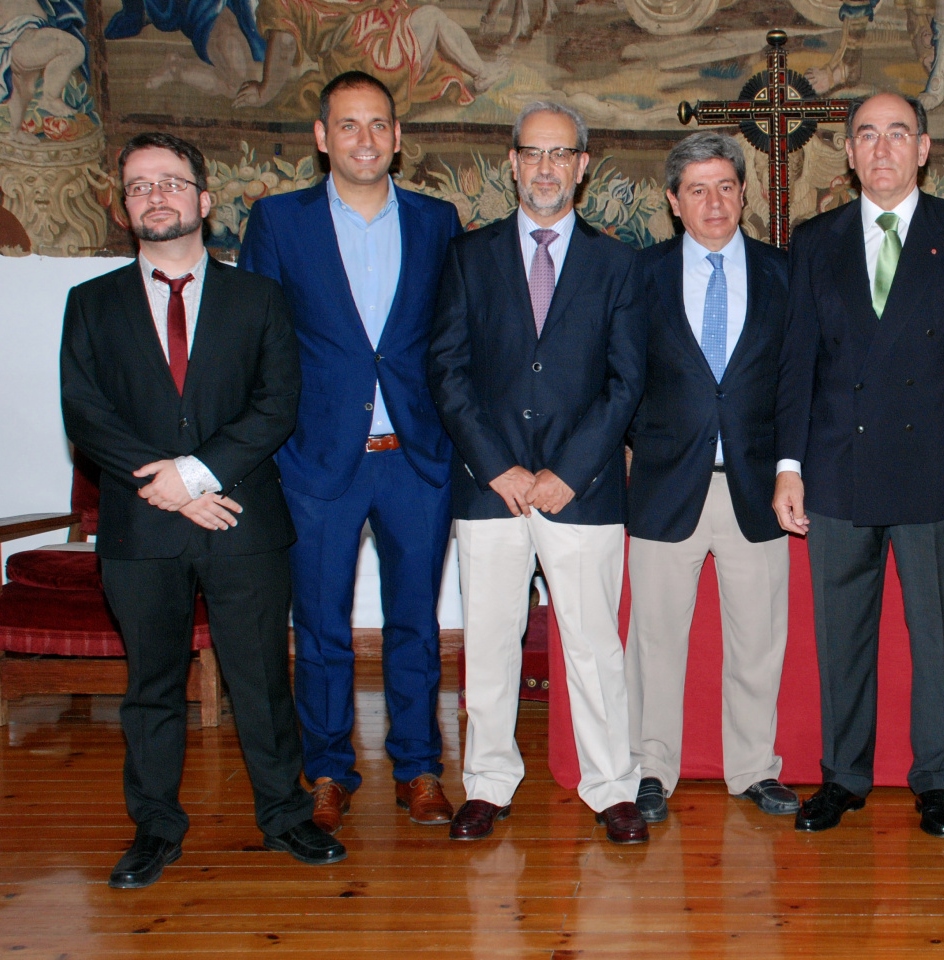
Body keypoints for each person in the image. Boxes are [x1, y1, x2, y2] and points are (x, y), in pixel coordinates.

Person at [60, 131, 344, 889]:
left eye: (171, 182)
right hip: (140, 524)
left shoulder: (259, 298)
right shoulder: (90, 304)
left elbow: (277, 404)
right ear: (124, 208)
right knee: (151, 687)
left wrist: (193, 475)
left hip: (241, 518)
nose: (155, 196)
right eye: (139, 186)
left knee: (262, 680)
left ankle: (284, 815)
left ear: (204, 199)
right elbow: (85, 414)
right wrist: (166, 488)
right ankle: (155, 828)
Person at [774, 92, 944, 839]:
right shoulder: (815, 240)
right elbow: (797, 363)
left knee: (938, 635)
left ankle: (937, 780)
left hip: (936, 473)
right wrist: (788, 465)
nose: (882, 149)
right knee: (841, 636)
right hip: (836, 468)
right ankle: (842, 777)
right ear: (848, 153)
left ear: (924, 148)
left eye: (898, 134)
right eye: (868, 135)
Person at [239, 70, 462, 836]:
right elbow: (258, 341)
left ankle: (419, 768)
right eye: (348, 125)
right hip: (317, 462)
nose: (364, 139)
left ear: (397, 138)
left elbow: (450, 336)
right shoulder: (278, 221)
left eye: (378, 125)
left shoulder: (437, 220)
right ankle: (328, 771)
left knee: (416, 624)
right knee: (322, 627)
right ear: (322, 137)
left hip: (416, 460)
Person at [429, 100, 649, 844]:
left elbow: (627, 381)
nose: (546, 168)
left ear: (583, 167)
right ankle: (487, 783)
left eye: (561, 154)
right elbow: (447, 371)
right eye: (533, 153)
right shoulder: (468, 256)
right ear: (513, 163)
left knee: (593, 647)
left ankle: (612, 787)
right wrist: (500, 469)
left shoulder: (619, 264)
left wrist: (566, 472)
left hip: (583, 491)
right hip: (490, 490)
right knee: (490, 644)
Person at [624, 132, 800, 824]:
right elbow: (619, 378)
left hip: (757, 488)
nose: (714, 202)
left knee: (759, 641)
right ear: (674, 201)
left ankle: (754, 769)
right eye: (697, 190)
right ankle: (650, 769)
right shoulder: (639, 275)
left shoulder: (784, 273)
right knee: (655, 642)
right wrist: (643, 445)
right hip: (666, 484)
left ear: (744, 193)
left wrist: (790, 468)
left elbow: (798, 382)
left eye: (726, 186)